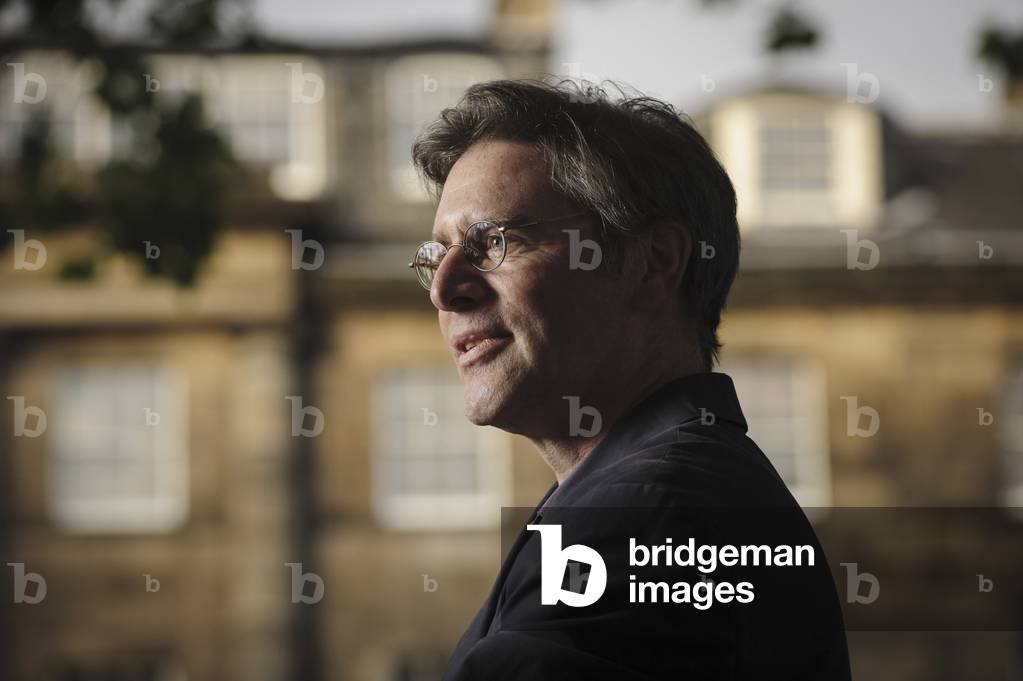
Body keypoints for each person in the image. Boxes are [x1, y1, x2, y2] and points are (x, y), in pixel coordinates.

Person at [409, 79, 851, 680]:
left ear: (653, 263)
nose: (444, 289)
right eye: (436, 257)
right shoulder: (654, 491)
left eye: (496, 241)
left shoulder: (644, 516)